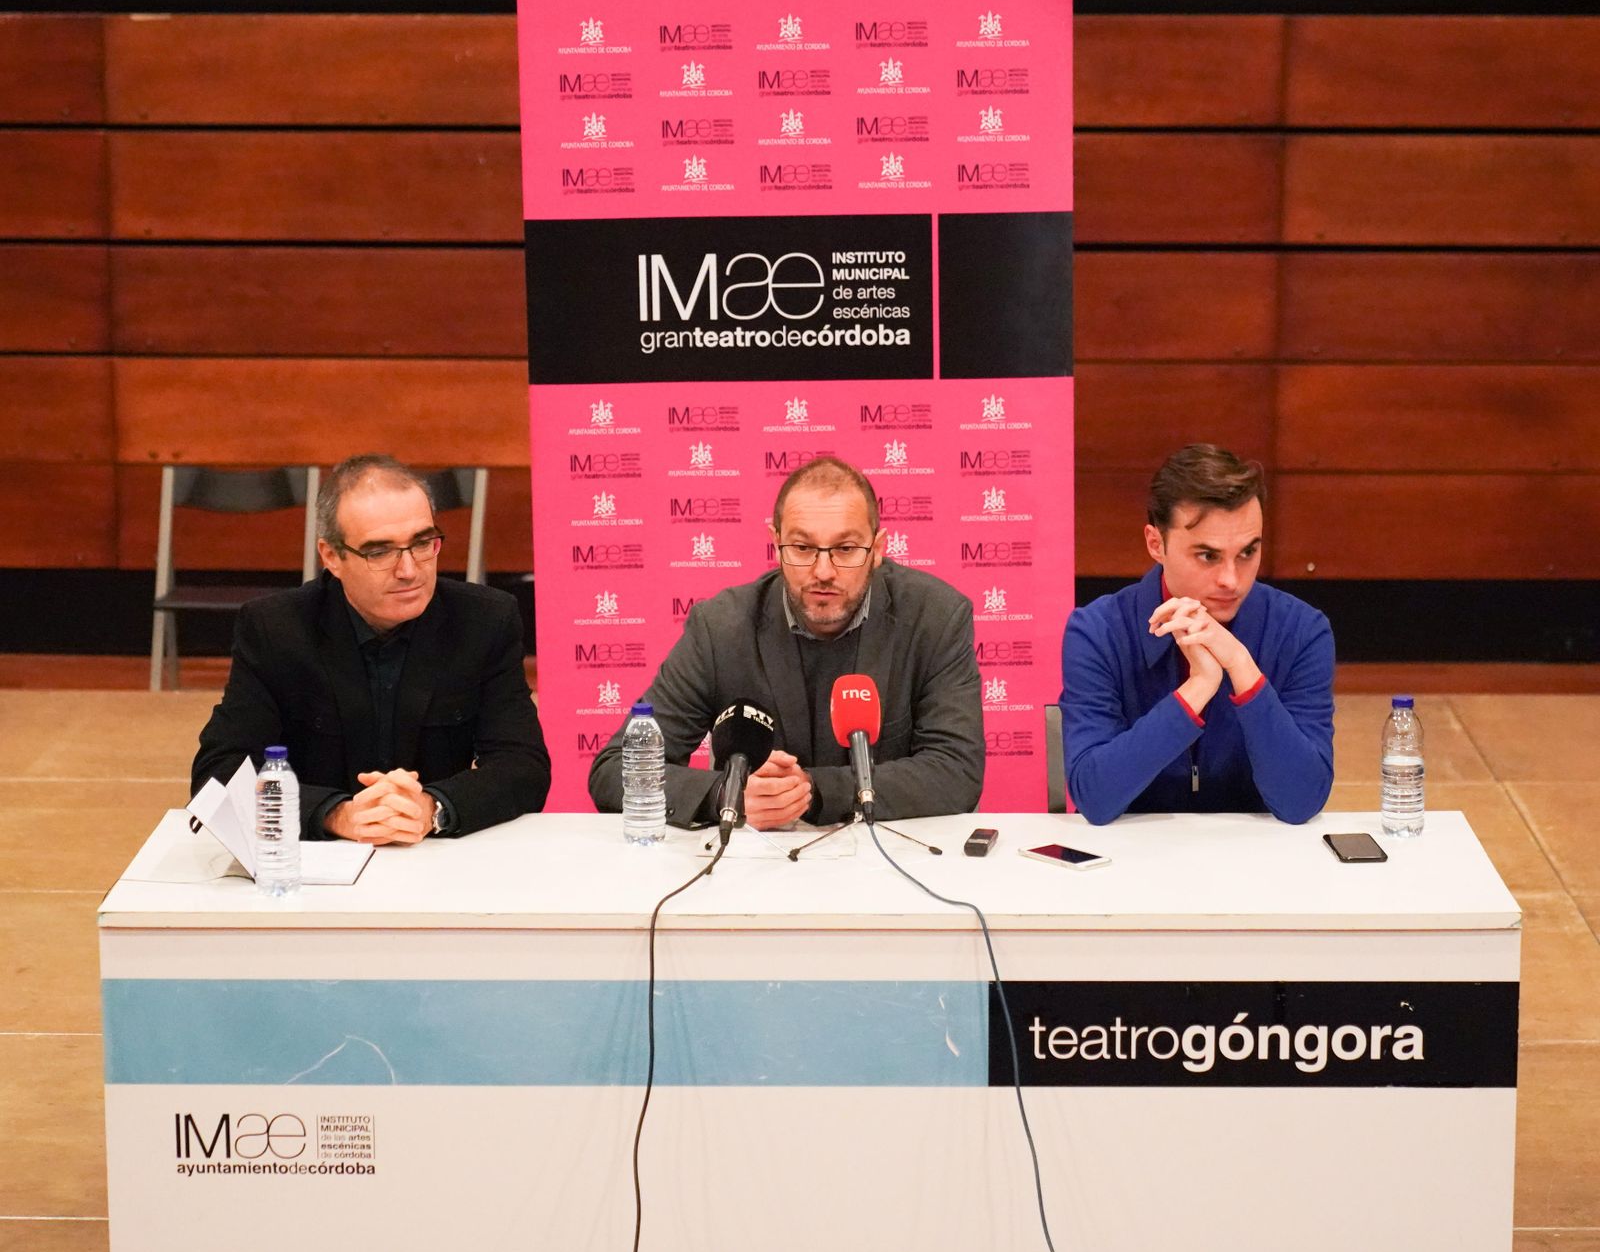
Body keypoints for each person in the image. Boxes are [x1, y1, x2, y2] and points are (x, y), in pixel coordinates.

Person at [589, 456, 984, 829]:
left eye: (846, 549)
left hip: (888, 864)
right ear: (775, 543)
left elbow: (956, 770)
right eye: (803, 548)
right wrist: (727, 795)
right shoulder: (721, 628)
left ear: (878, 549)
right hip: (755, 873)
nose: (823, 571)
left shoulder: (934, 619)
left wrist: (810, 792)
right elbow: (616, 769)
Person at [193, 454, 551, 842]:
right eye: (380, 552)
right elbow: (218, 773)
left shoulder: (484, 621)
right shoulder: (275, 628)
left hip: (438, 856)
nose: (409, 570)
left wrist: (433, 807)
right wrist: (334, 814)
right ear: (332, 557)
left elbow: (523, 765)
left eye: (422, 542)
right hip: (315, 866)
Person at [1059, 443, 1333, 824]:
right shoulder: (1098, 631)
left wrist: (1240, 666)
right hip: (1136, 860)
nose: (1231, 580)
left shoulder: (1302, 631)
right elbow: (1096, 797)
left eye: (1247, 552)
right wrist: (1200, 685)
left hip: (1259, 862)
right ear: (1156, 544)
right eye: (1207, 556)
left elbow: (1302, 800)